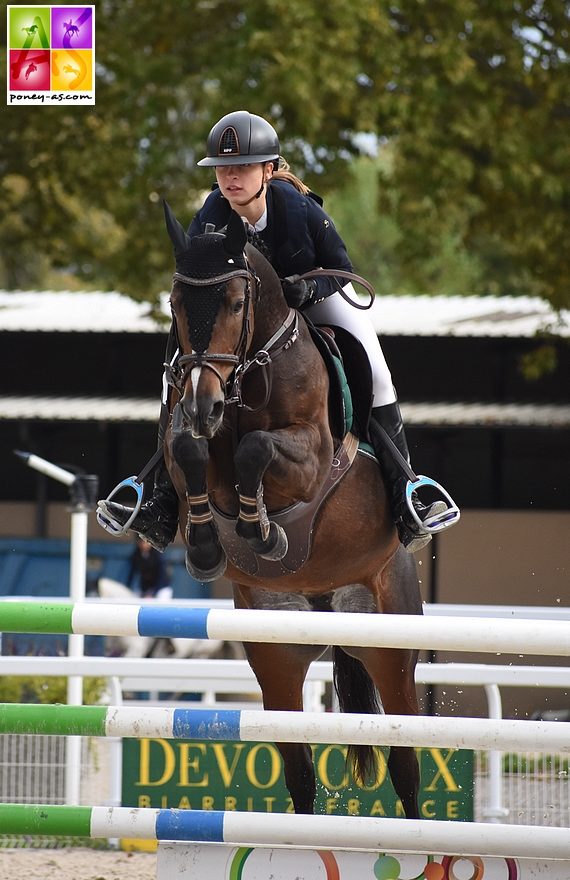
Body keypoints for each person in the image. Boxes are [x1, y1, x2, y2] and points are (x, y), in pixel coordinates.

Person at [99, 110, 458, 554]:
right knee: (174, 370)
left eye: (244, 167)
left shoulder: (297, 208)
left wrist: (308, 287)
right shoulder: (209, 214)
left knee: (377, 367)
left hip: (312, 298)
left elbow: (342, 268)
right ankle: (158, 497)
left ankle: (407, 491)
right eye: (223, 169)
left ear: (268, 170)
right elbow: (194, 275)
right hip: (238, 317)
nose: (231, 177)